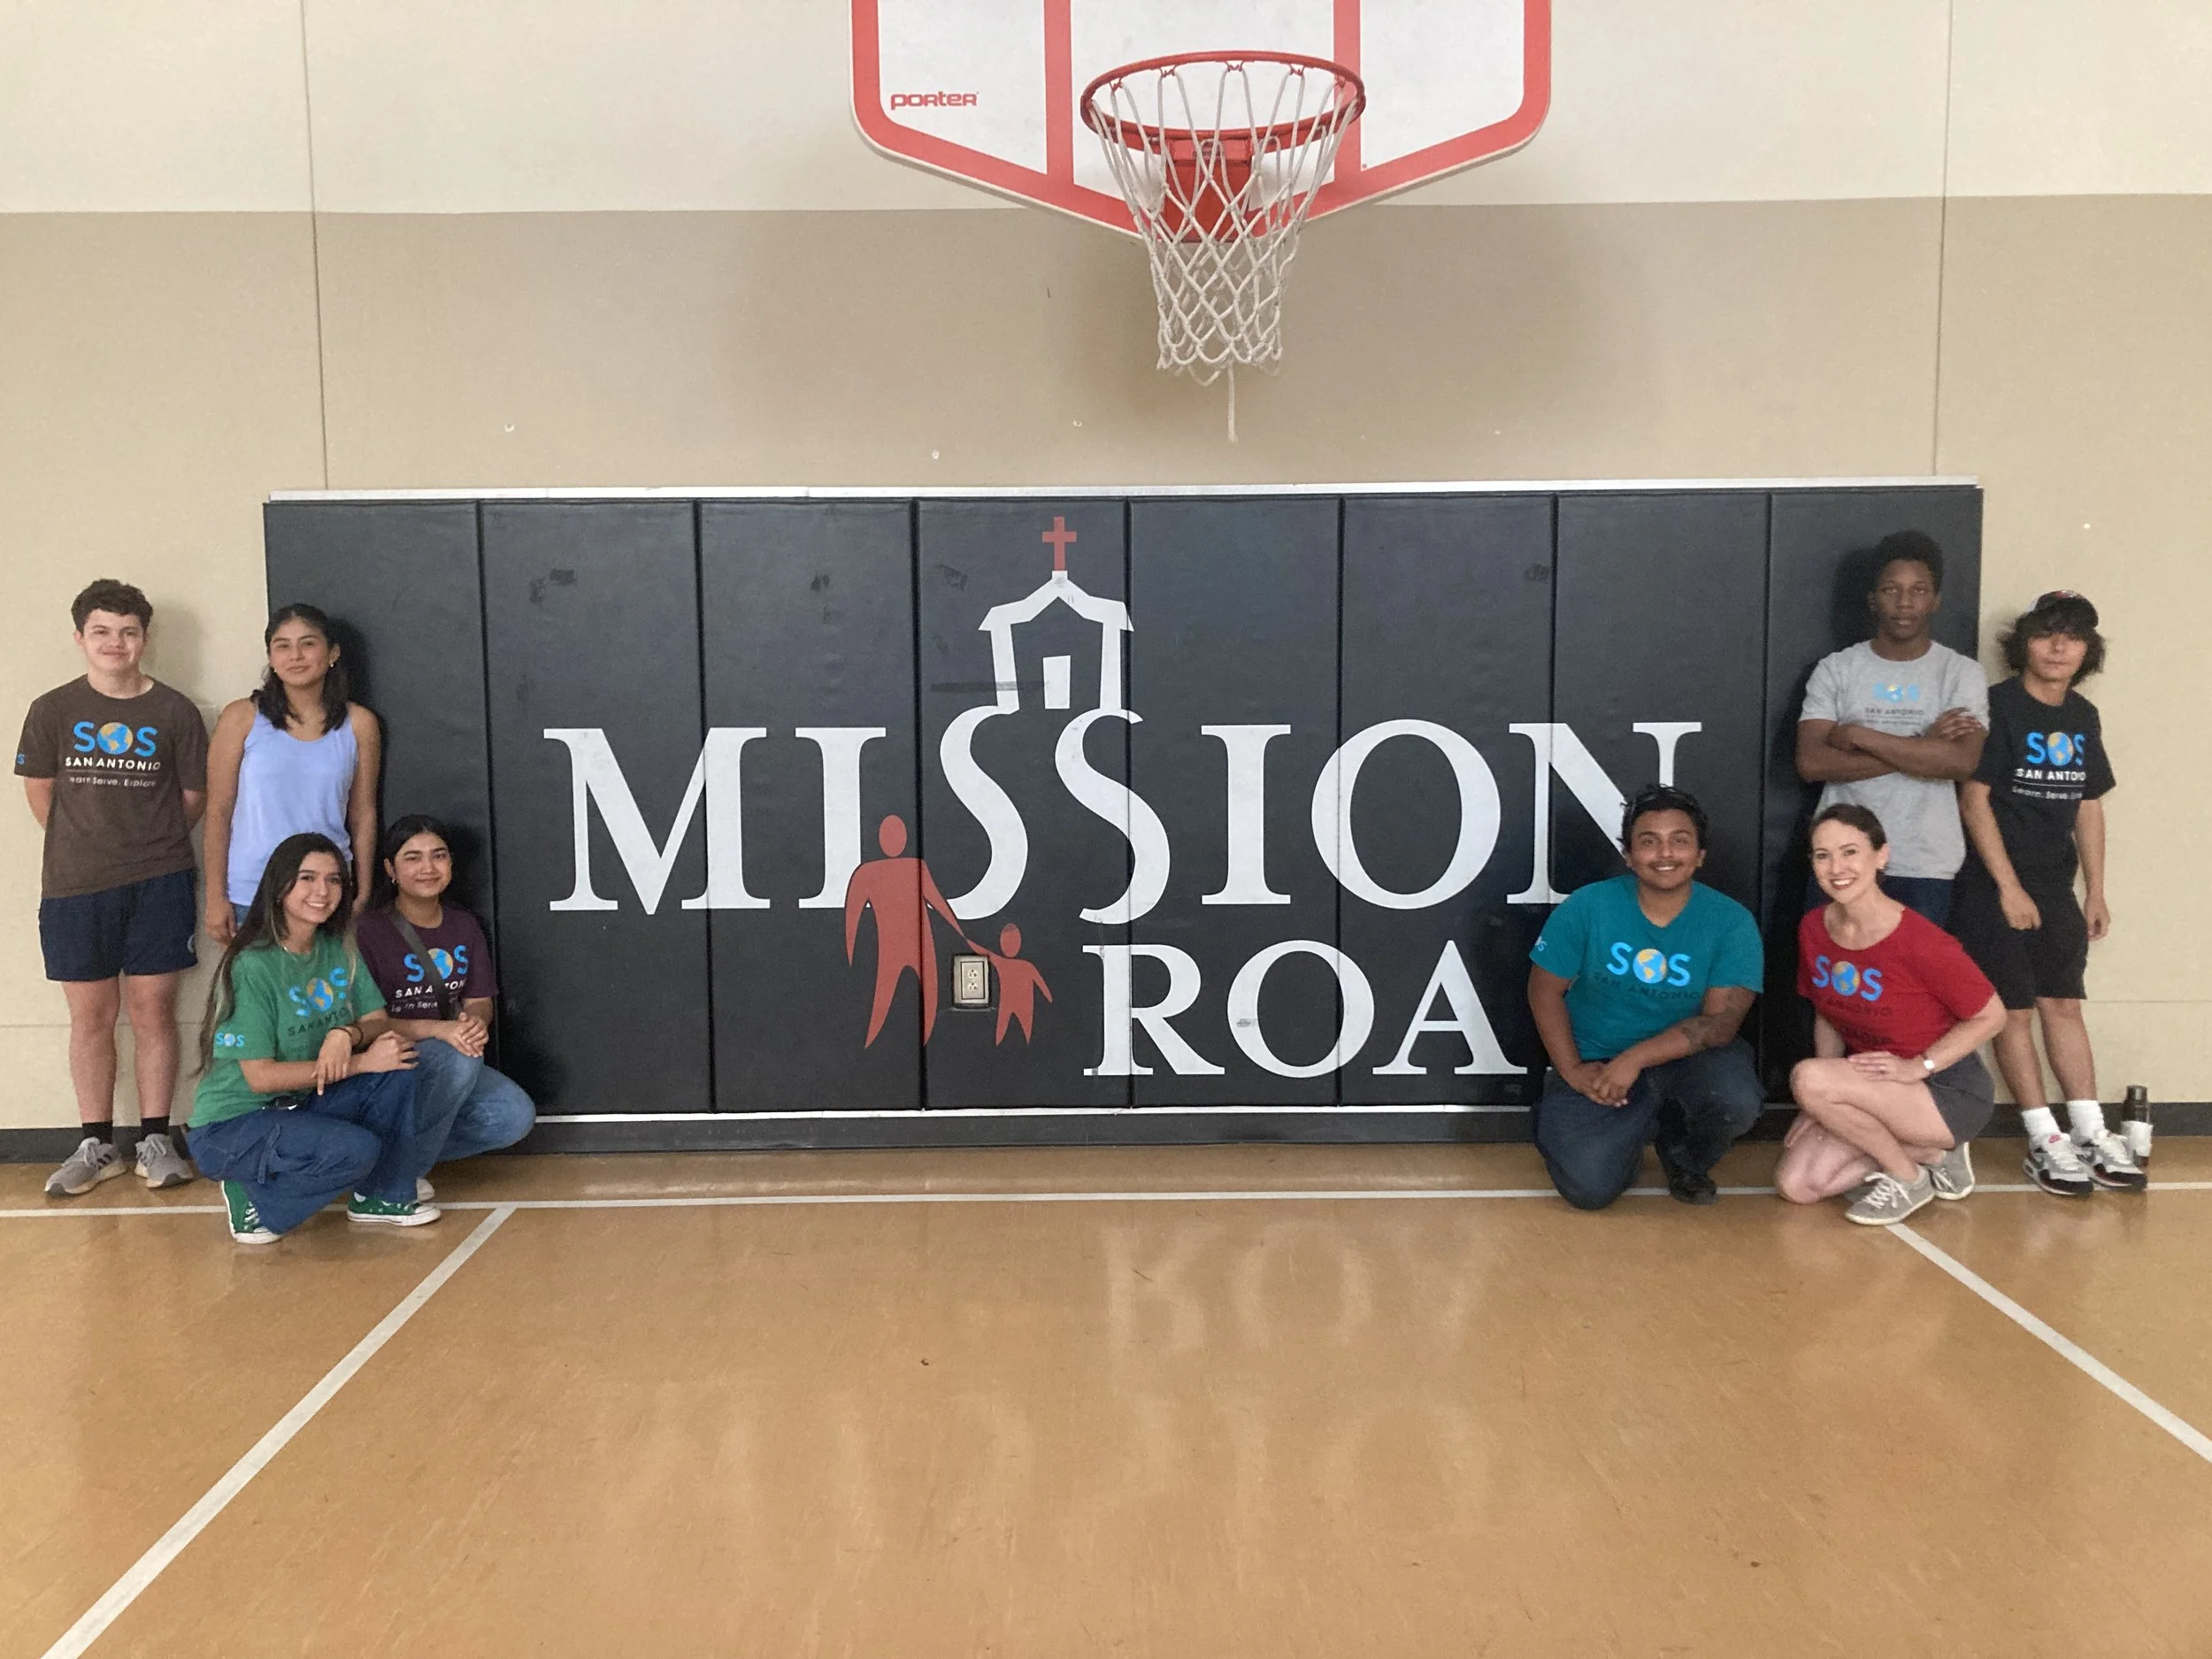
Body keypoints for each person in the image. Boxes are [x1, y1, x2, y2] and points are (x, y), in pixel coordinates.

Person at [18, 580, 207, 1196]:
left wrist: (141, 847)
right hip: (74, 886)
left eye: (127, 631)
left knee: (153, 1009)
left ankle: (155, 1138)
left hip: (161, 881)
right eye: (101, 631)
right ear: (80, 638)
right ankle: (96, 1143)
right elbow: (41, 792)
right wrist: (93, 847)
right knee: (91, 1016)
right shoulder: (52, 709)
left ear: (144, 639)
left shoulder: (176, 711)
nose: (115, 642)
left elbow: (192, 800)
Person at [1950, 592, 2139, 1196]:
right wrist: (2006, 885)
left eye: (2073, 636)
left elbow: (2088, 805)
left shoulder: (2082, 715)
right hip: (1990, 883)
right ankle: (2043, 1138)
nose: (2059, 646)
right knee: (2014, 1009)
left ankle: (2087, 1126)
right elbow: (1973, 798)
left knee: (2064, 1003)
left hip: (2056, 885)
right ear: (2024, 642)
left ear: (2088, 649)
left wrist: (2096, 890)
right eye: (2046, 633)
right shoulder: (1996, 706)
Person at [186, 833, 440, 1242]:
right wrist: (359, 1063)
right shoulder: (252, 965)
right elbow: (261, 1079)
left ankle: (381, 1196)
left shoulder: (337, 947)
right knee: (355, 1150)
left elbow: (378, 1019)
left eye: (334, 880)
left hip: (301, 1105)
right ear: (280, 885)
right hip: (234, 1126)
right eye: (307, 878)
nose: (322, 891)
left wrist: (347, 1033)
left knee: (397, 1060)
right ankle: (252, 1195)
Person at [1528, 785, 1766, 1210]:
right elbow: (1544, 989)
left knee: (1734, 1098)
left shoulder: (1731, 922)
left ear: (1700, 854)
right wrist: (1572, 1069)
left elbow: (1719, 1024)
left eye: (1680, 840)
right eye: (1648, 841)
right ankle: (1626, 1136)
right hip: (1597, 1060)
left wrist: (1635, 1059)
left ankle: (1684, 1155)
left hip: (1688, 1062)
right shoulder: (1588, 906)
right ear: (1629, 855)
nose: (1665, 853)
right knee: (1588, 1190)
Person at [1778, 805, 2008, 1225]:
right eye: (1822, 855)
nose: (1836, 867)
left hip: (1945, 1091)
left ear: (1881, 856)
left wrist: (1919, 1066)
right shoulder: (1814, 927)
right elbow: (1827, 1012)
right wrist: (1821, 1104)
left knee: (1808, 1077)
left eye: (1850, 852)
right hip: (1877, 1085)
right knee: (1799, 1185)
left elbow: (1992, 1016)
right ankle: (1935, 1154)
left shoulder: (1921, 941)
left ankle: (1909, 1178)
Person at [1795, 531, 1987, 926]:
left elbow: (1962, 761)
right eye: (1891, 590)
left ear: (1936, 600)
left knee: (1912, 987)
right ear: (1872, 599)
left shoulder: (1961, 673)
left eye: (1918, 590)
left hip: (1925, 864)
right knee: (1835, 983)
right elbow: (1812, 762)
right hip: (1841, 860)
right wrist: (1924, 747)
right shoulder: (1837, 668)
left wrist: (1859, 735)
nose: (1904, 603)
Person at [355, 815, 535, 1189]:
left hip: (449, 1054)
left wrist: (473, 1024)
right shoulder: (368, 931)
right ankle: (397, 1181)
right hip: (388, 1058)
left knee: (512, 1116)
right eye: (412, 858)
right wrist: (443, 1031)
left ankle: (379, 1160)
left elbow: (480, 1000)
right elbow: (367, 1023)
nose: (427, 868)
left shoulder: (463, 925)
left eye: (438, 856)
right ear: (390, 868)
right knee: (459, 1056)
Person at [201, 603, 380, 945]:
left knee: (322, 995)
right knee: (257, 995)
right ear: (270, 656)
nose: (295, 655)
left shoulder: (359, 724)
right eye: (282, 645)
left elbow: (363, 812)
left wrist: (364, 887)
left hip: (326, 890)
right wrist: (215, 896)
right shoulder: (241, 717)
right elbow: (219, 810)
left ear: (332, 653)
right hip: (253, 889)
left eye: (308, 643)